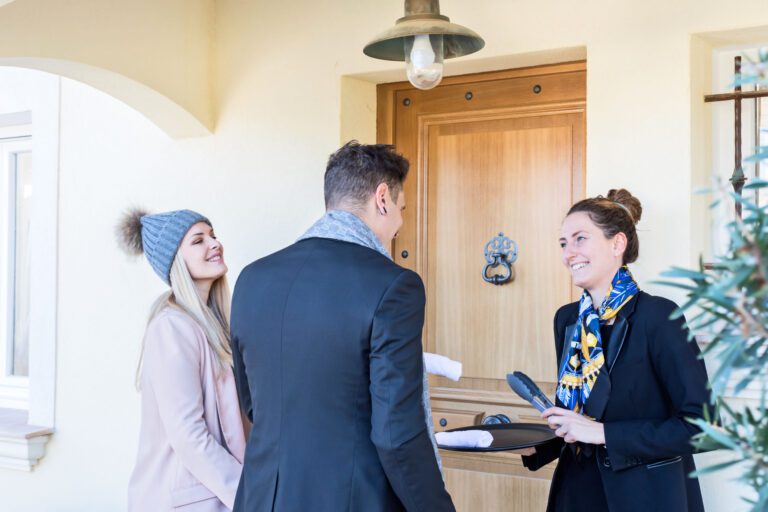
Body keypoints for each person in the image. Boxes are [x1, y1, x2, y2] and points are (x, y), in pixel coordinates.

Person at [230, 141, 455, 512]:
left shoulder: (252, 279)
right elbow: (397, 435)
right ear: (382, 198)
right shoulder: (394, 286)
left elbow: (253, 403)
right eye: (401, 210)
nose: (399, 226)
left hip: (261, 499)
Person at [521, 189, 710, 512]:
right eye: (563, 243)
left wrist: (603, 433)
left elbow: (701, 428)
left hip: (645, 496)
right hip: (576, 490)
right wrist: (530, 444)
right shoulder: (566, 320)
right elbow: (583, 411)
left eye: (580, 239)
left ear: (617, 244)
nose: (569, 253)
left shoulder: (660, 317)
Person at [119, 208, 246, 511]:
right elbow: (188, 436)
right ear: (176, 260)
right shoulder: (171, 328)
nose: (214, 244)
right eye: (198, 240)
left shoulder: (216, 326)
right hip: (187, 501)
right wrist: (247, 493)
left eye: (213, 235)